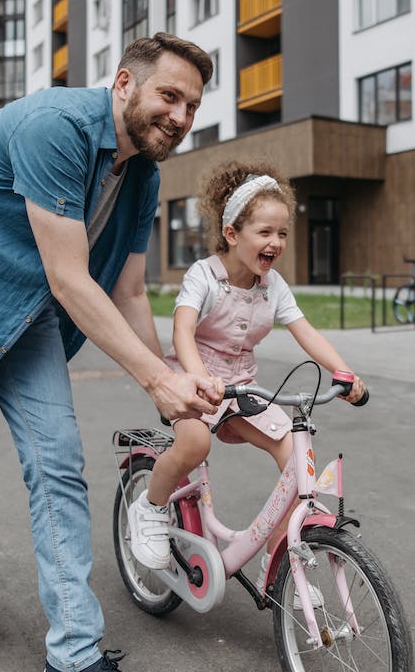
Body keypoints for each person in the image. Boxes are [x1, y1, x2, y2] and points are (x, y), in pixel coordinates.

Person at [0, 33, 223, 672]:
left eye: (192, 105)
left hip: (22, 311)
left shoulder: (143, 177)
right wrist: (157, 384)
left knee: (58, 465)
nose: (182, 116)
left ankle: (75, 653)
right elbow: (70, 278)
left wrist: (167, 384)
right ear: (123, 84)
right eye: (170, 95)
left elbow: (131, 290)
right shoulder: (56, 126)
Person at [128, 161, 366, 599]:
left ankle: (283, 560)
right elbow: (182, 329)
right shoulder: (204, 275)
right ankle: (151, 507)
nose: (275, 242)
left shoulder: (273, 286)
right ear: (233, 233)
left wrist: (344, 372)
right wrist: (197, 379)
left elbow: (305, 330)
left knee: (298, 457)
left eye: (282, 233)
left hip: (241, 391)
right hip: (191, 379)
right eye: (265, 232)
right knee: (195, 444)